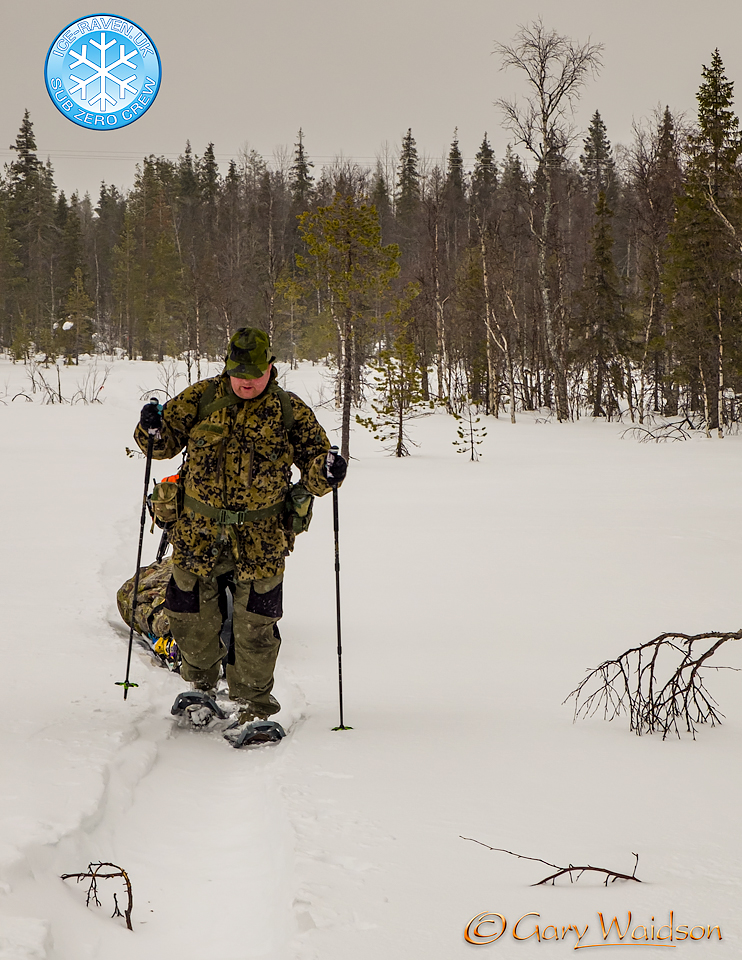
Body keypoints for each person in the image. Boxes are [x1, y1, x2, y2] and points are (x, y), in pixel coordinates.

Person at [134, 327, 346, 728]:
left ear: (270, 368)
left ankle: (252, 705)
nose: (246, 381)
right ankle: (199, 687)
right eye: (238, 372)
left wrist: (329, 470)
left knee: (256, 626)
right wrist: (151, 429)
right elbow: (159, 447)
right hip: (197, 533)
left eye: (254, 373)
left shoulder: (288, 410)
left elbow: (318, 464)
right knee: (190, 614)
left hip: (262, 540)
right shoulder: (201, 399)